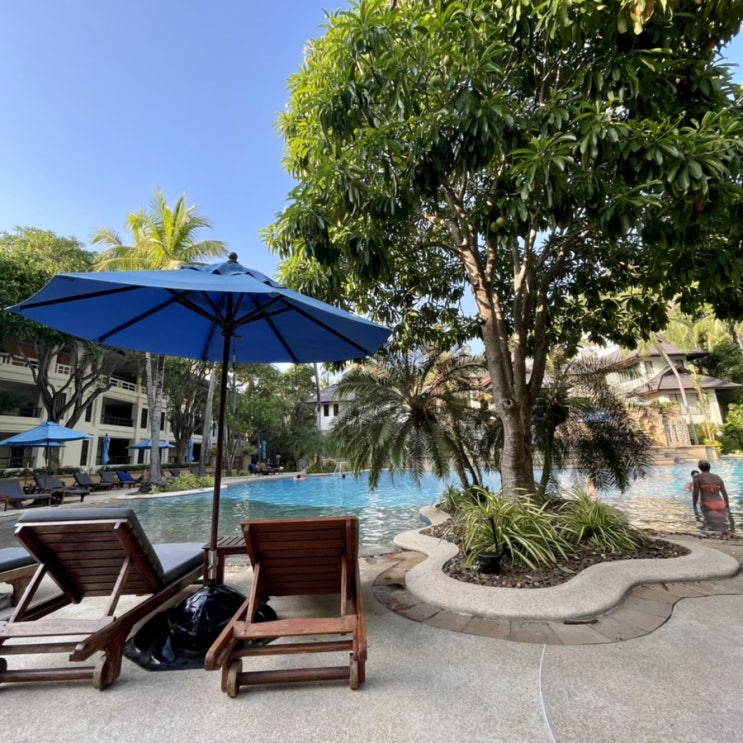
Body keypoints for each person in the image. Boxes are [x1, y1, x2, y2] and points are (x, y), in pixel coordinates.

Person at [692, 460, 734, 534]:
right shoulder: (717, 477)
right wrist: (727, 505)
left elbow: (696, 492)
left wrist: (694, 505)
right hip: (721, 504)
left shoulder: (697, 477)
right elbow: (724, 493)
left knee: (710, 525)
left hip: (707, 503)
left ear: (699, 468)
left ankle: (712, 537)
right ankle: (728, 534)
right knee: (724, 525)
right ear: (709, 467)